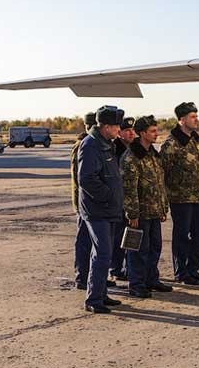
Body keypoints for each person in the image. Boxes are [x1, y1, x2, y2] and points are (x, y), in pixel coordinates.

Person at [78, 105, 125, 314]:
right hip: (97, 209)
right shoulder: (91, 145)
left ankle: (101, 292)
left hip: (109, 208)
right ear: (106, 126)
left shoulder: (106, 143)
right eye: (116, 126)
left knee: (104, 253)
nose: (119, 130)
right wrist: (109, 195)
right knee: (102, 253)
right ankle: (93, 299)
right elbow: (86, 179)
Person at [121, 115, 173, 298]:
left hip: (153, 211)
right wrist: (132, 213)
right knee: (137, 250)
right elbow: (129, 188)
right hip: (139, 213)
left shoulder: (153, 154)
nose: (156, 134)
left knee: (154, 247)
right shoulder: (131, 157)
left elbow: (160, 183)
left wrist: (163, 207)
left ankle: (151, 279)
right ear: (142, 133)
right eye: (152, 131)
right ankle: (136, 284)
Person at [161, 102, 199, 285]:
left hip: (197, 196)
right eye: (192, 117)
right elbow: (163, 172)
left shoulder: (195, 140)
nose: (196, 119)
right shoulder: (171, 144)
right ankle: (181, 272)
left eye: (196, 116)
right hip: (180, 198)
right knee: (181, 236)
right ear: (182, 120)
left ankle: (192, 268)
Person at [71, 112, 116, 290]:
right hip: (86, 203)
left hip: (90, 202)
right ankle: (83, 277)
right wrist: (107, 194)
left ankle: (95, 280)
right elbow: (83, 178)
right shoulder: (84, 145)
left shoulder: (98, 144)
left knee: (96, 247)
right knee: (85, 243)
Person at [110, 116, 136, 281]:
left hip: (133, 200)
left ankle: (129, 268)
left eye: (132, 130)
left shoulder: (136, 149)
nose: (131, 133)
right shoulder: (114, 150)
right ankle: (116, 268)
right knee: (118, 236)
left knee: (132, 236)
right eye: (127, 130)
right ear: (119, 133)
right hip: (120, 200)